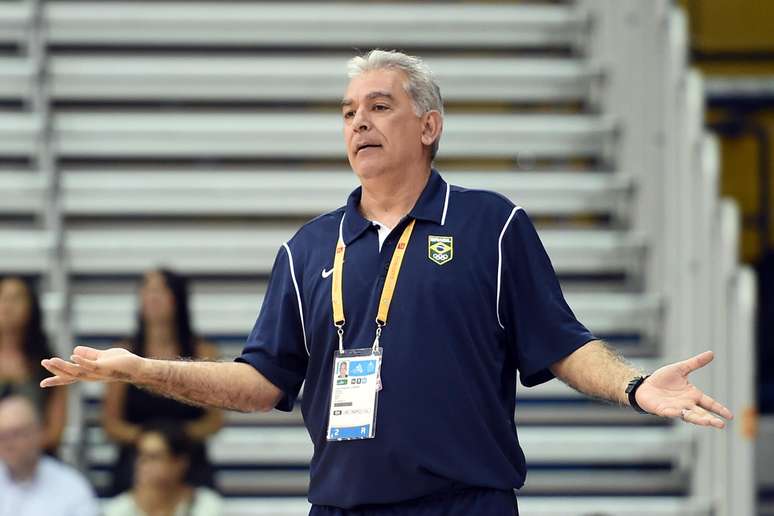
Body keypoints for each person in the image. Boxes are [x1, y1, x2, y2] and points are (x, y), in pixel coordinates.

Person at [40, 50, 734, 515]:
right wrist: (142, 370)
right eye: (348, 112)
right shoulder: (306, 248)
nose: (359, 122)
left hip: (466, 503)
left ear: (429, 125)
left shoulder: (492, 225)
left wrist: (636, 387)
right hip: (341, 506)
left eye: (379, 106)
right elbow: (263, 382)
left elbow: (561, 342)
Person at [102, 268, 223, 494]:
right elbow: (111, 424)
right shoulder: (123, 352)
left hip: (188, 458)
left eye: (160, 290)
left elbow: (214, 421)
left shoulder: (203, 351)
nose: (152, 297)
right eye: (147, 290)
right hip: (137, 458)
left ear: (177, 298)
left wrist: (175, 439)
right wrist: (151, 442)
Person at [0, 395, 99, 516]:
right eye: (2, 436)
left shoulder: (71, 487)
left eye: (17, 434)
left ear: (38, 432)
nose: (9, 444)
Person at [0, 276, 67, 454]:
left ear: (31, 307)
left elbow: (55, 432)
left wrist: (17, 450)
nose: (7, 306)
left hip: (37, 460)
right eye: (2, 298)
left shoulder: (47, 363)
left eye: (15, 298)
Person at [103, 421, 223, 516]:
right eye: (141, 456)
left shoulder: (207, 506)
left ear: (180, 462)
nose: (144, 465)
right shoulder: (117, 510)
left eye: (154, 457)